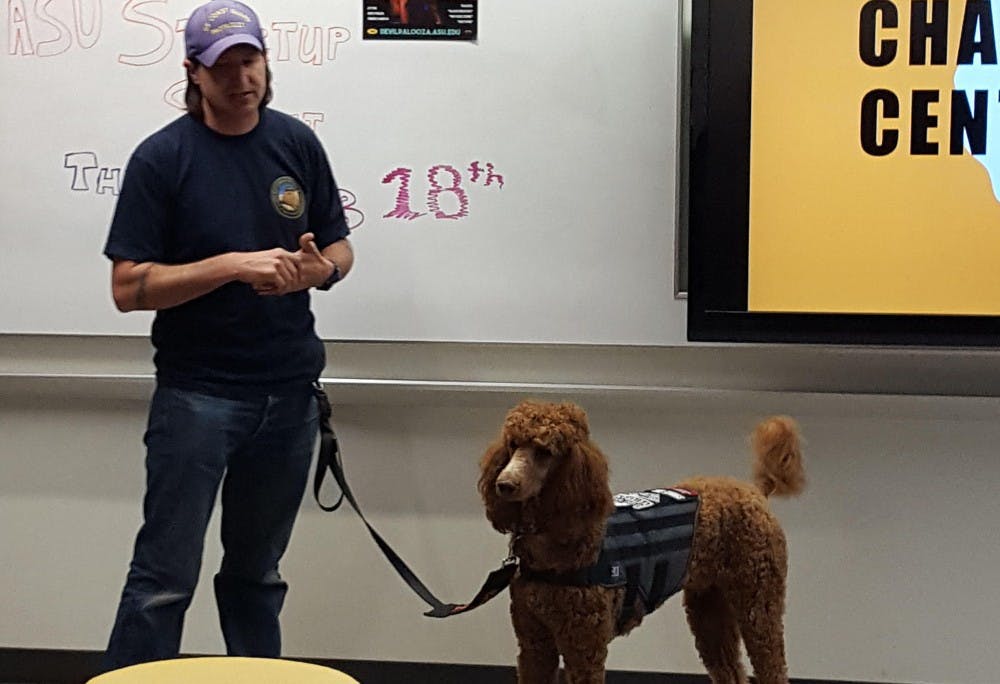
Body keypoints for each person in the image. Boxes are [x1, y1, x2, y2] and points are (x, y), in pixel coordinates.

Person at [101, 0, 353, 670]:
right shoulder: (162, 159)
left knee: (257, 578)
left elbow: (338, 247)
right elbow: (127, 289)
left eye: (251, 60)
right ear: (194, 72)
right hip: (198, 398)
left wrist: (315, 272)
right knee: (163, 581)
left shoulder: (296, 142)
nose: (241, 77)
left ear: (266, 60)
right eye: (223, 65)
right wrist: (230, 266)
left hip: (289, 398)